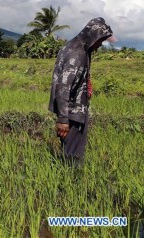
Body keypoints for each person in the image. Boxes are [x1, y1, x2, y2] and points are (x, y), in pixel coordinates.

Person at [49, 17, 116, 162]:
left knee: (69, 152)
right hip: (72, 113)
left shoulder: (73, 46)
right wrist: (63, 119)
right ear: (94, 36)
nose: (100, 44)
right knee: (73, 157)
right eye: (101, 40)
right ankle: (72, 181)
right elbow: (63, 87)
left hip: (71, 111)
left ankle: (67, 178)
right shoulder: (77, 54)